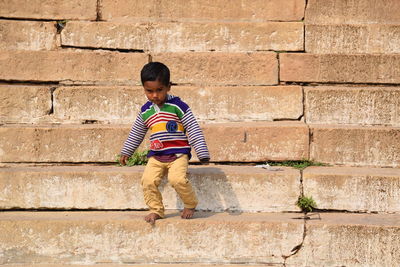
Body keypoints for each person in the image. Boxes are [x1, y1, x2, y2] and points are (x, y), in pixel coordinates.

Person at [119, 62, 210, 225]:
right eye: (149, 91)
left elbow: (193, 128)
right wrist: (127, 151)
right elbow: (137, 132)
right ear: (144, 89)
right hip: (156, 156)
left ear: (168, 87)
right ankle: (156, 209)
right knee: (147, 181)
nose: (154, 95)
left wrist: (202, 152)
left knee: (177, 180)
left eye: (159, 90)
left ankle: (190, 204)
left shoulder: (178, 106)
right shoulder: (146, 111)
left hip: (178, 155)